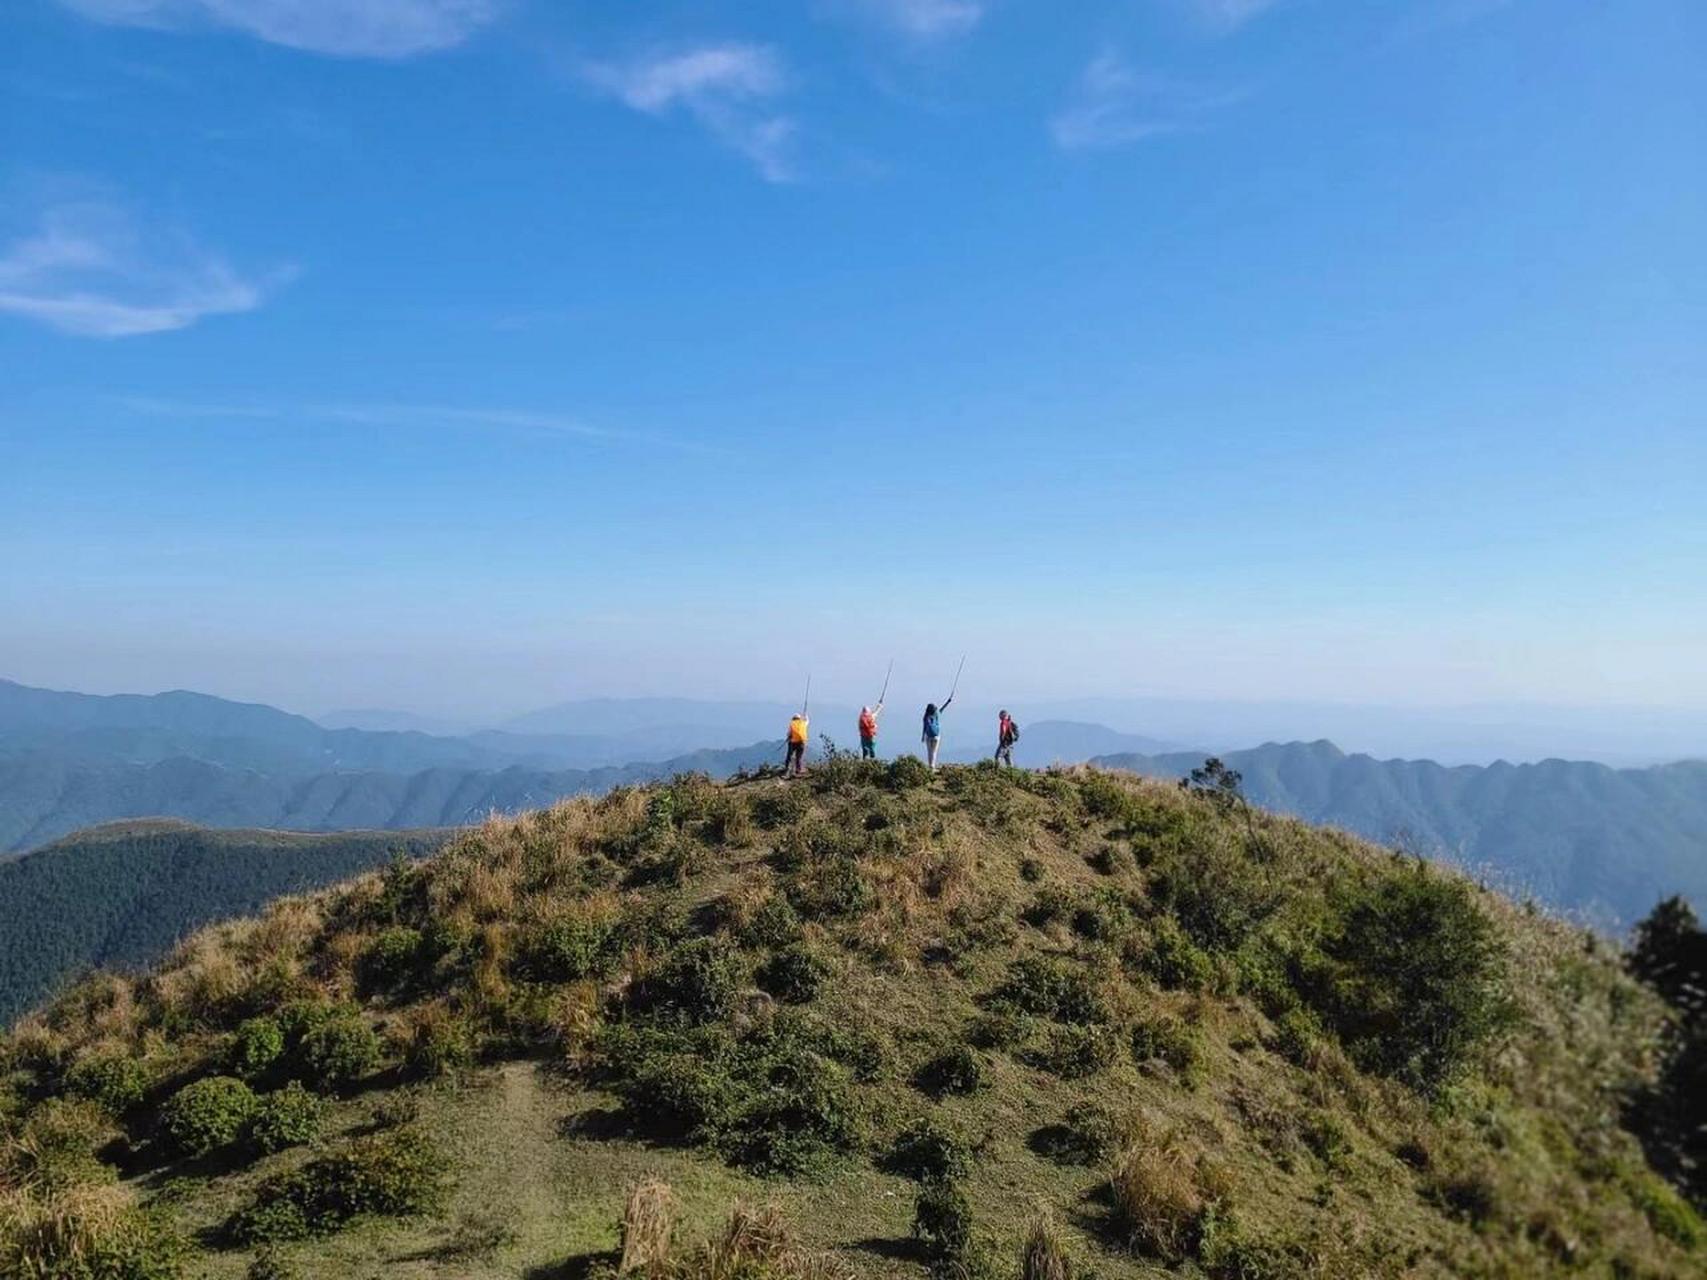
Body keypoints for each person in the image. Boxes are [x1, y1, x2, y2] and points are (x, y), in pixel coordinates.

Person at [921, 694, 952, 769]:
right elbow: (943, 708)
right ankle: (933, 765)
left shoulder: (926, 717)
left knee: (929, 751)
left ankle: (930, 765)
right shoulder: (936, 714)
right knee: (934, 751)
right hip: (936, 736)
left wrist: (923, 737)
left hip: (928, 736)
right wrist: (948, 701)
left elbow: (924, 727)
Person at [785, 711, 809, 776]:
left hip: (793, 743)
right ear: (799, 718)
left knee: (789, 756)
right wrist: (805, 716)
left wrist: (789, 737)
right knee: (798, 757)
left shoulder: (792, 724)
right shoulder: (803, 723)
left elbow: (788, 733)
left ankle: (787, 769)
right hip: (802, 742)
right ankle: (798, 770)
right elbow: (807, 721)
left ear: (793, 718)